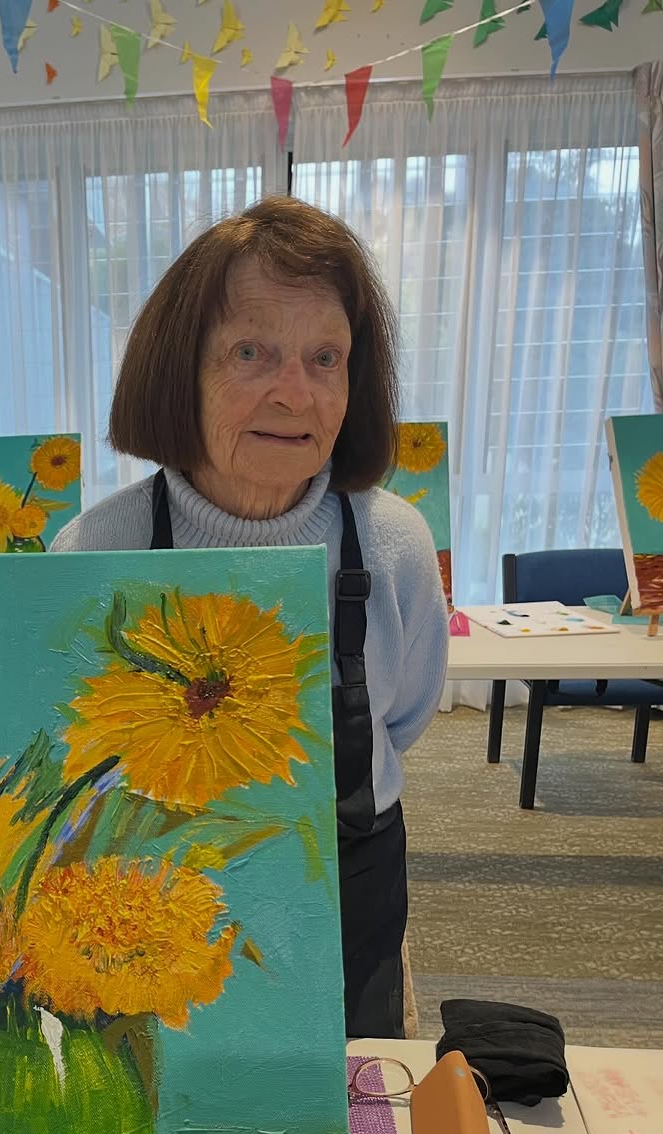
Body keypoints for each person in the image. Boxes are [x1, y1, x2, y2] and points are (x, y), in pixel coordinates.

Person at [51, 196, 449, 1039]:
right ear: (180, 371)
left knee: (352, 1107)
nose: (294, 393)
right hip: (151, 916)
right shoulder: (94, 550)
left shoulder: (394, 546)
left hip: (351, 900)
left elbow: (403, 720)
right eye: (250, 352)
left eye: (325, 357)